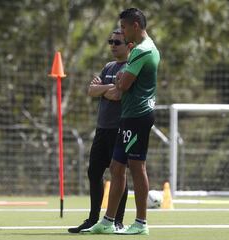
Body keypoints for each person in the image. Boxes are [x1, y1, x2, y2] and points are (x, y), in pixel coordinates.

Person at [81, 8, 160, 235]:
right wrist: (116, 82)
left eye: (123, 28)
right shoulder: (141, 50)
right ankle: (108, 221)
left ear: (135, 25)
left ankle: (141, 223)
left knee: (137, 167)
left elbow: (122, 87)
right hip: (128, 116)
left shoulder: (142, 51)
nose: (122, 34)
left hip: (138, 116)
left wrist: (115, 82)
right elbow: (117, 86)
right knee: (117, 168)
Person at [68, 29, 133, 233]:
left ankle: (117, 221)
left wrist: (103, 89)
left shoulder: (132, 67)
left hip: (120, 129)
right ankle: (93, 219)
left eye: (117, 42)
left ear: (129, 45)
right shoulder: (109, 67)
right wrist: (107, 88)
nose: (113, 45)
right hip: (102, 129)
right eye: (110, 41)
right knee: (94, 172)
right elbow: (92, 90)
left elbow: (120, 95)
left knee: (118, 173)